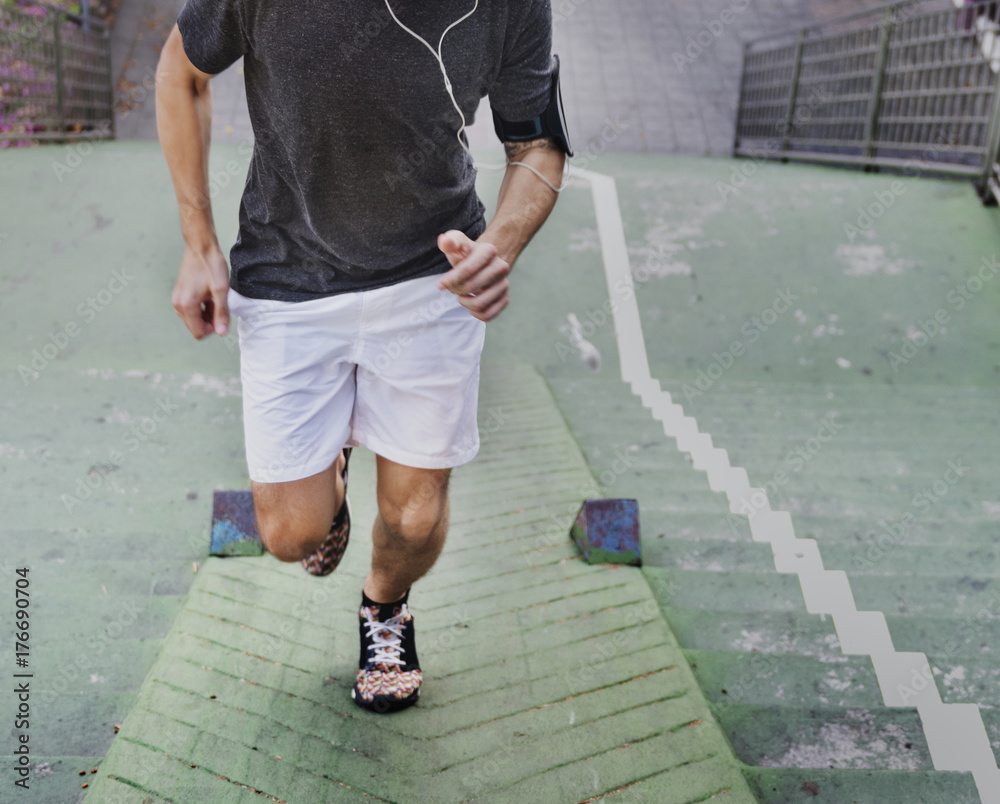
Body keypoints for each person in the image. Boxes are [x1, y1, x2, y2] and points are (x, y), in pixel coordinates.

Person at [155, 0, 570, 713]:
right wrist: (198, 246)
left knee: (413, 520)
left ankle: (385, 607)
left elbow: (537, 144)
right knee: (292, 536)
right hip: (288, 273)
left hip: (430, 274)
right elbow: (181, 71)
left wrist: (498, 246)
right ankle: (334, 480)